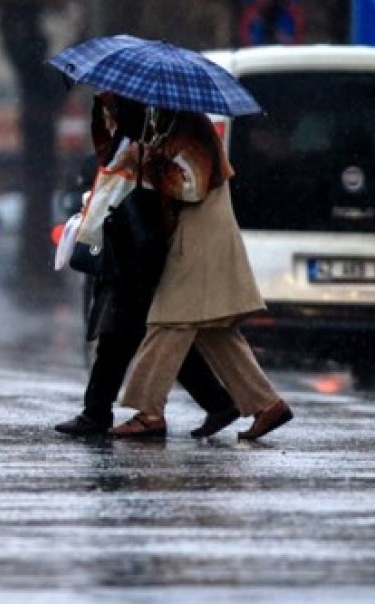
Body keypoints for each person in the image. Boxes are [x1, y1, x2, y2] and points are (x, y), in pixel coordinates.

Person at [55, 93, 241, 439]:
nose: (109, 107)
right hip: (120, 239)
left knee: (121, 334)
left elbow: (186, 185)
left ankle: (98, 412)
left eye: (113, 102)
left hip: (138, 245)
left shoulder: (164, 131)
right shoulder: (130, 133)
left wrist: (151, 161)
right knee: (137, 333)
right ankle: (216, 402)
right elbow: (107, 165)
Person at [109, 106, 292, 441]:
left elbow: (191, 187)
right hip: (196, 234)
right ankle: (267, 404)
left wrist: (145, 163)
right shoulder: (170, 125)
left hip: (200, 235)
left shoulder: (191, 127)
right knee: (213, 327)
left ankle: (148, 412)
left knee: (169, 320)